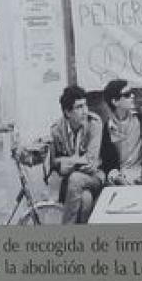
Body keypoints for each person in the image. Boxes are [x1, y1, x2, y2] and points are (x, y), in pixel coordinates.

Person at [48, 86, 104, 224]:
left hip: (95, 177)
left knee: (75, 178)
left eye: (85, 105)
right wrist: (65, 163)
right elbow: (53, 163)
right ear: (67, 112)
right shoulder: (56, 130)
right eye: (79, 107)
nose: (85, 111)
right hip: (69, 185)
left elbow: (91, 162)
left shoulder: (94, 124)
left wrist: (66, 162)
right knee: (86, 199)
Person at [102, 80, 142, 185]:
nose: (133, 96)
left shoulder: (141, 120)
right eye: (127, 94)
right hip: (119, 179)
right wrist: (116, 177)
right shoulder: (107, 128)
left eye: (132, 93)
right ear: (115, 102)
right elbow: (107, 163)